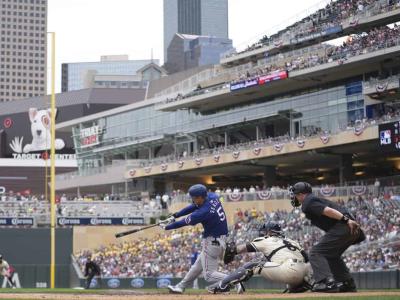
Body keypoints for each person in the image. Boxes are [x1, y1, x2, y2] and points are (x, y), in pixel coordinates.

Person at [289, 182, 365, 292]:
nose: (295, 197)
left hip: (344, 225)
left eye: (296, 195)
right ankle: (347, 283)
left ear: (301, 194)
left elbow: (328, 211)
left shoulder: (308, 202)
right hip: (351, 229)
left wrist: (346, 220)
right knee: (331, 256)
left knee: (316, 252)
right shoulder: (312, 200)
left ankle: (326, 283)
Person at [159, 184, 236, 294]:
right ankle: (180, 287)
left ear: (200, 197)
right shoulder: (212, 196)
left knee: (209, 275)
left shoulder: (203, 212)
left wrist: (167, 226)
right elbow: (193, 206)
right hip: (218, 240)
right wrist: (175, 215)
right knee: (196, 267)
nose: (193, 199)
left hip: (212, 241)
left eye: (194, 197)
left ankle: (236, 280)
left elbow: (184, 221)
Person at [208, 222, 312, 294]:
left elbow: (237, 249)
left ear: (269, 232)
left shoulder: (266, 239)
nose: (262, 233)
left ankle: (223, 285)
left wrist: (229, 251)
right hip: (304, 272)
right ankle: (299, 285)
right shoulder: (292, 241)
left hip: (289, 269)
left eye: (264, 231)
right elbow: (307, 259)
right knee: (291, 274)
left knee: (253, 265)